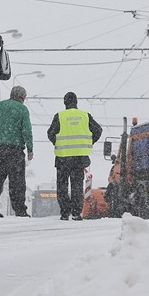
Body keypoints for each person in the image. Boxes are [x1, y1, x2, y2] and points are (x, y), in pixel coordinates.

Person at [47, 92, 102, 221]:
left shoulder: (60, 116)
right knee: (77, 185)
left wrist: (58, 142)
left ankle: (65, 212)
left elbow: (50, 133)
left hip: (62, 157)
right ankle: (77, 213)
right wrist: (89, 142)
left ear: (65, 103)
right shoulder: (85, 116)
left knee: (62, 185)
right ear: (76, 102)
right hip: (79, 157)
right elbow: (98, 130)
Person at [0, 85, 34, 218]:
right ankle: (20, 210)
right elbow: (26, 130)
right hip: (14, 150)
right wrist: (30, 148)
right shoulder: (22, 110)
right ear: (22, 97)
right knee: (17, 182)